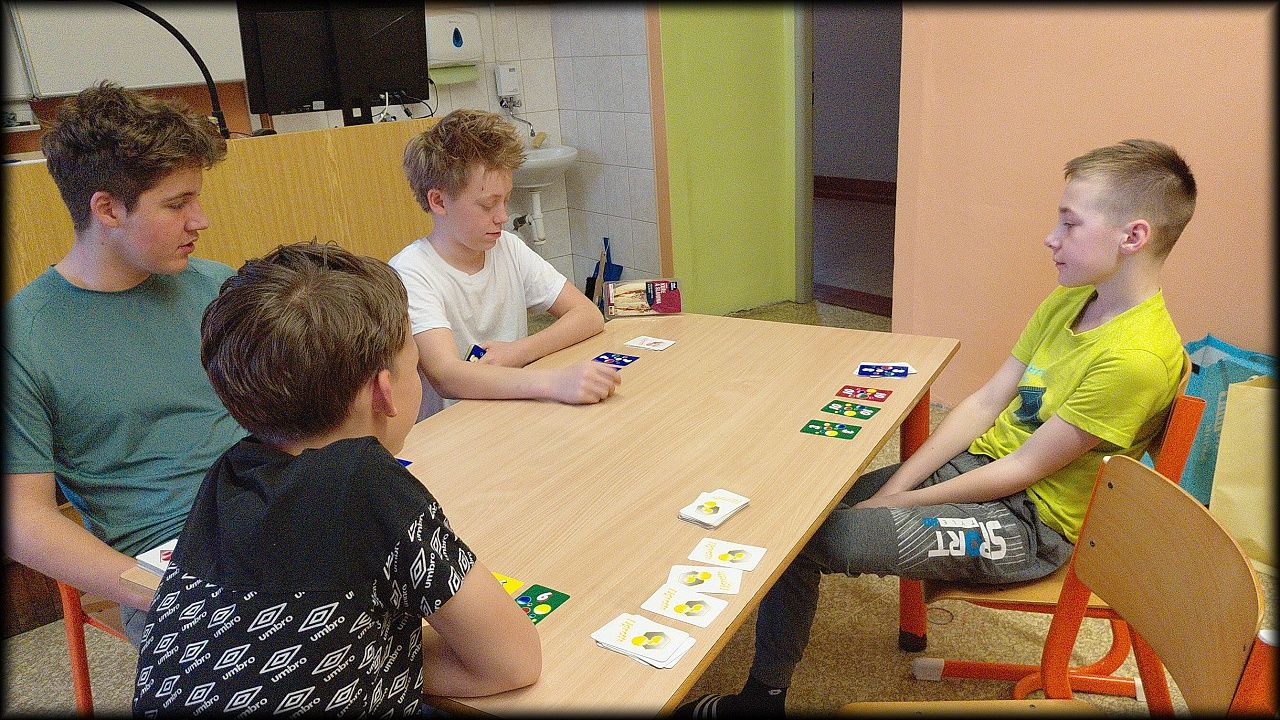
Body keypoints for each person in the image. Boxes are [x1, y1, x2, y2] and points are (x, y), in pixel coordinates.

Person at [678, 139, 1196, 717]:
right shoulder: (1070, 300)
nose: (1051, 238)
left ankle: (760, 701)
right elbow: (985, 403)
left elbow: (1023, 470)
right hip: (982, 473)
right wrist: (899, 486)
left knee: (802, 545)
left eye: (1070, 224)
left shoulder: (1135, 358)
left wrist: (898, 502)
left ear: (1133, 236)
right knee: (797, 514)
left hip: (1030, 526)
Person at [132, 242, 541, 716]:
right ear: (384, 391)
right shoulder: (365, 482)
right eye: (414, 367)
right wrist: (389, 658)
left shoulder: (230, 472)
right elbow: (512, 661)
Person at [3, 82, 244, 646]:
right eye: (177, 204)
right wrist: (162, 591)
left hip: (280, 507)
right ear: (107, 208)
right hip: (168, 562)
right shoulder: (24, 337)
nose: (200, 220)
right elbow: (21, 519)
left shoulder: (217, 286)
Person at [391, 109, 619, 420]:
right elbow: (446, 375)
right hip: (456, 429)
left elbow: (587, 315)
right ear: (439, 201)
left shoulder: (507, 247)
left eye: (506, 200)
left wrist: (518, 351)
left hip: (513, 412)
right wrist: (554, 382)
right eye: (488, 204)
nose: (502, 216)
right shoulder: (410, 272)